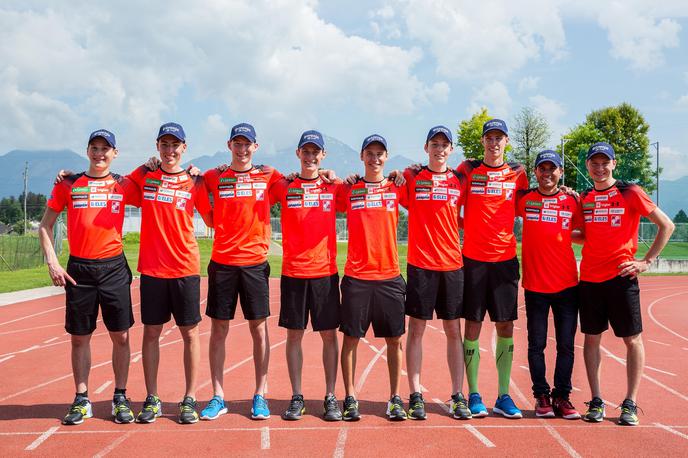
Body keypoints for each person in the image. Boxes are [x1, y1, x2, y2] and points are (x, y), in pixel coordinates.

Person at [39, 129, 140, 425]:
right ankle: (82, 399)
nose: (99, 154)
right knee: (80, 338)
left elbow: (158, 179)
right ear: (87, 151)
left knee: (120, 336)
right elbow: (45, 225)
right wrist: (53, 263)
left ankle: (120, 396)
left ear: (115, 153)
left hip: (113, 268)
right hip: (79, 270)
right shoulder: (69, 183)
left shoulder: (124, 185)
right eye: (94, 148)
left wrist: (193, 171)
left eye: (105, 149)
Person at [579, 142, 674, 426]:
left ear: (614, 164)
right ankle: (596, 401)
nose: (599, 167)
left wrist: (646, 262)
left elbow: (666, 225)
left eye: (604, 162)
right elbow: (584, 235)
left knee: (632, 340)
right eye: (594, 163)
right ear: (587, 166)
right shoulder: (583, 197)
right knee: (591, 339)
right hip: (590, 279)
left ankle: (630, 403)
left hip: (622, 279)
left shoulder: (630, 192)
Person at [128, 122, 213, 424]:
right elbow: (115, 187)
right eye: (164, 144)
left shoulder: (194, 182)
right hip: (152, 269)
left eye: (175, 145)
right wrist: (142, 167)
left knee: (190, 333)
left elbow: (214, 217)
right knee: (151, 332)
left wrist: (206, 179)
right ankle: (152, 398)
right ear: (157, 147)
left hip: (185, 268)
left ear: (184, 148)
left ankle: (189, 399)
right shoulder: (145, 177)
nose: (169, 150)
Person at [200, 123, 284, 420]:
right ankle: (217, 396)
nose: (242, 148)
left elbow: (300, 183)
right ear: (229, 145)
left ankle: (260, 394)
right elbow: (196, 188)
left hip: (255, 263)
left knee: (258, 329)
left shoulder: (269, 174)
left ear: (255, 147)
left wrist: (330, 175)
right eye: (237, 143)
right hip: (222, 263)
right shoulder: (214, 176)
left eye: (247, 143)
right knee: (218, 330)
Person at [456, 119, 529, 418]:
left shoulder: (518, 173)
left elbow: (530, 200)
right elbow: (449, 202)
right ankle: (473, 393)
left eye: (499, 137)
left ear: (506, 141)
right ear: (483, 141)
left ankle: (502, 395)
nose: (494, 142)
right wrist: (465, 226)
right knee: (472, 326)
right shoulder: (468, 169)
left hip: (505, 262)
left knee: (505, 326)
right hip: (473, 260)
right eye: (489, 137)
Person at [269, 130, 343, 421]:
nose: (311, 157)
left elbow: (360, 190)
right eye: (306, 151)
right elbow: (254, 177)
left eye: (316, 152)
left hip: (325, 272)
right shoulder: (284, 185)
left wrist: (336, 176)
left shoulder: (334, 186)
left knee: (328, 335)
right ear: (298, 154)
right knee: (294, 335)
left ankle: (330, 396)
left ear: (323, 155)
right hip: (294, 272)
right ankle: (297, 395)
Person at [335, 134, 409, 421]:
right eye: (370, 153)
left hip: (390, 275)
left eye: (380, 153)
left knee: (395, 340)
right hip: (357, 277)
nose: (375, 158)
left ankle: (394, 398)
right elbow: (326, 185)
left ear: (386, 157)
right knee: (350, 339)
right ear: (362, 156)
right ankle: (350, 397)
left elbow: (423, 182)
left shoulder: (397, 187)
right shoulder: (349, 188)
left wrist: (405, 173)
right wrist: (333, 174)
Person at [403, 126, 472, 420]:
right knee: (416, 330)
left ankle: (458, 395)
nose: (440, 148)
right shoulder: (411, 177)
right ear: (426, 147)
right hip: (420, 265)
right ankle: (415, 394)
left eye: (445, 144)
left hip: (452, 265)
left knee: (454, 331)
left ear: (451, 150)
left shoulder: (461, 180)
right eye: (435, 143)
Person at [516, 150, 582, 420]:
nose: (547, 173)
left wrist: (562, 234)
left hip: (567, 285)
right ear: (535, 172)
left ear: (560, 172)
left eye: (552, 169)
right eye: (542, 169)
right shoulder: (525, 200)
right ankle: (542, 395)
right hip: (535, 286)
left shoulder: (572, 201)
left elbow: (585, 234)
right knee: (536, 345)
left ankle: (562, 396)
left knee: (566, 345)